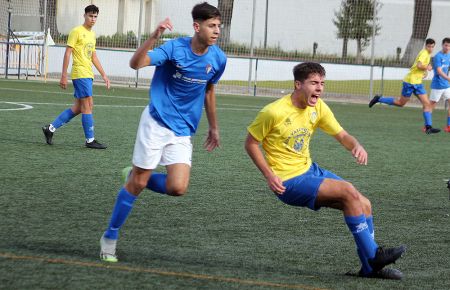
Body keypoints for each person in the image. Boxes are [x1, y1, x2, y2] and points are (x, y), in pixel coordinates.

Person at [245, 62, 406, 279]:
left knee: (364, 203)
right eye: (314, 83)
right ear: (298, 84)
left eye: (322, 83)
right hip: (288, 181)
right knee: (348, 191)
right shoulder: (273, 112)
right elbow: (251, 143)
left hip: (310, 170)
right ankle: (374, 255)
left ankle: (369, 268)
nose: (319, 88)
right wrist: (269, 174)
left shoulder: (318, 107)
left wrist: (355, 145)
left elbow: (341, 135)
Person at [99, 2, 226, 262]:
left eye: (219, 26)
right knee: (138, 184)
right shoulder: (174, 48)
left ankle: (134, 176)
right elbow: (136, 64)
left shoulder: (218, 58)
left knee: (177, 187)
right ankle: (110, 236)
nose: (216, 31)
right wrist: (154, 37)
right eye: (211, 26)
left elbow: (209, 91)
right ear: (196, 26)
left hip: (182, 131)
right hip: (156, 123)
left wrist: (213, 126)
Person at [42, 4, 110, 149]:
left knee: (79, 107)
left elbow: (93, 56)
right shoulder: (76, 31)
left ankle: (50, 128)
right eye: (90, 16)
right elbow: (67, 53)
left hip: (88, 74)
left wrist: (104, 74)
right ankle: (90, 140)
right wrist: (63, 75)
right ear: (84, 15)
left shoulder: (92, 34)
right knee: (88, 106)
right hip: (80, 73)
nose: (93, 19)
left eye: (95, 16)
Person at [368, 38, 440, 134]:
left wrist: (425, 72)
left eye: (432, 47)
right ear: (425, 46)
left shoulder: (428, 54)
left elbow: (419, 68)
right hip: (410, 82)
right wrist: (427, 67)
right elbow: (419, 65)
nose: (430, 48)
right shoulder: (424, 53)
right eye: (429, 46)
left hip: (418, 83)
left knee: (427, 104)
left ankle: (428, 127)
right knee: (400, 103)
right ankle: (379, 99)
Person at [429, 37, 450, 132]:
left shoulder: (449, 55)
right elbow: (438, 71)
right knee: (431, 105)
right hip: (437, 85)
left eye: (449, 45)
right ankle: (427, 125)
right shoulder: (438, 56)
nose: (447, 47)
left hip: (446, 86)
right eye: (446, 45)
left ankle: (448, 126)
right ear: (442, 45)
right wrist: (448, 78)